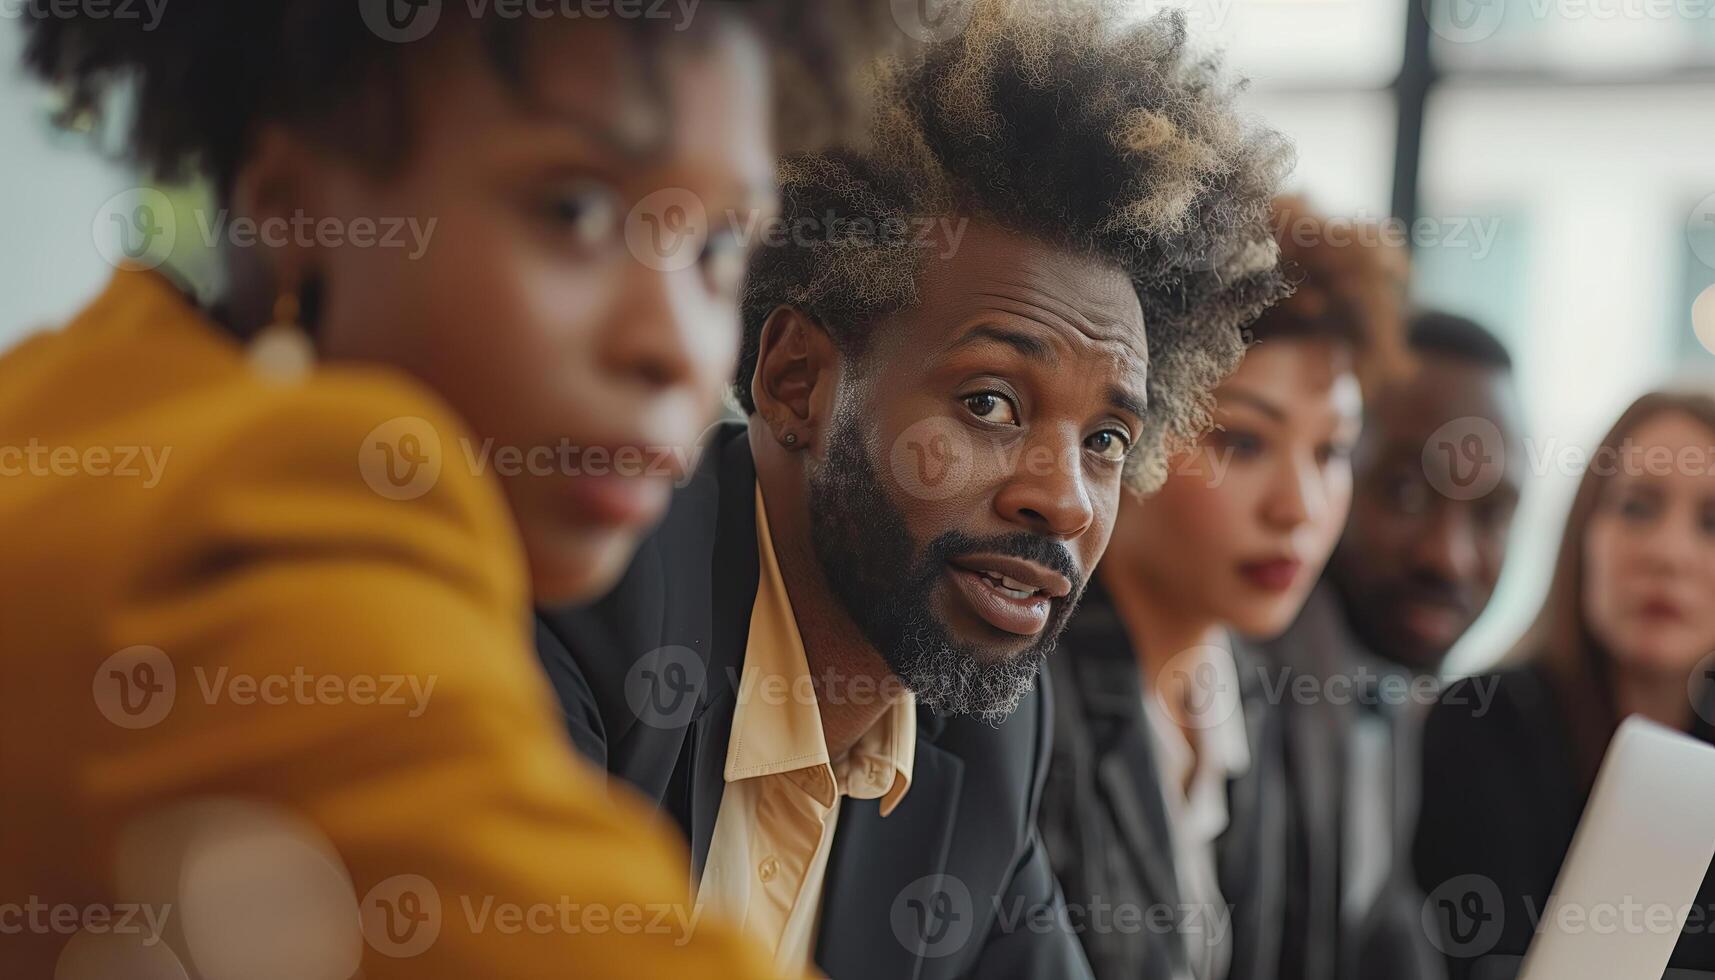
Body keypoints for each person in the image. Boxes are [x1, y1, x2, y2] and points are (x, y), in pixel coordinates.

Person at [1, 4, 891, 977]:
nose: (677, 345)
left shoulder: (87, 396)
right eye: (575, 211)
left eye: (721, 250)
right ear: (293, 205)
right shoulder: (250, 541)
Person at [534, 3, 1292, 977]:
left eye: (1105, 437)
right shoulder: (594, 598)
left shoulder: (988, 739)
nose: (1061, 500)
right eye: (987, 402)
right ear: (796, 381)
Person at [1038, 197, 1400, 980]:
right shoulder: (1026, 698)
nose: (1298, 508)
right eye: (1242, 441)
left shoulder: (1288, 684)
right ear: (1124, 433)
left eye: (1331, 451)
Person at [1415, 390, 1715, 979]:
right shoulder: (1480, 723)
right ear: (1584, 534)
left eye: (1712, 522)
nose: (1669, 553)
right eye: (1637, 507)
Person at [1262, 308, 1523, 980]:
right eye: (1405, 491)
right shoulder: (1246, 685)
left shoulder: (1388, 694)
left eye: (1491, 512)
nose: (1447, 558)